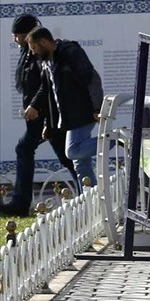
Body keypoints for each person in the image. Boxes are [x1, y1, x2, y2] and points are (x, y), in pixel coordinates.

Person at [0, 15, 77, 217]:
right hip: (40, 116)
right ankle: (89, 193)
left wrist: (35, 106)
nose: (14, 39)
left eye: (17, 35)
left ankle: (21, 202)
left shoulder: (37, 53)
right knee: (66, 156)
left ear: (26, 34)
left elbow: (46, 84)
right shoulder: (28, 53)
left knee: (27, 149)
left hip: (47, 115)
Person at [27, 27, 102, 188]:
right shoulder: (48, 62)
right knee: (80, 164)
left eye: (34, 48)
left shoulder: (70, 53)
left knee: (72, 151)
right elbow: (47, 91)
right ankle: (90, 199)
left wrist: (97, 108)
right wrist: (39, 113)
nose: (33, 53)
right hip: (69, 117)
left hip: (84, 112)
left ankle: (115, 140)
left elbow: (92, 78)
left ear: (44, 42)